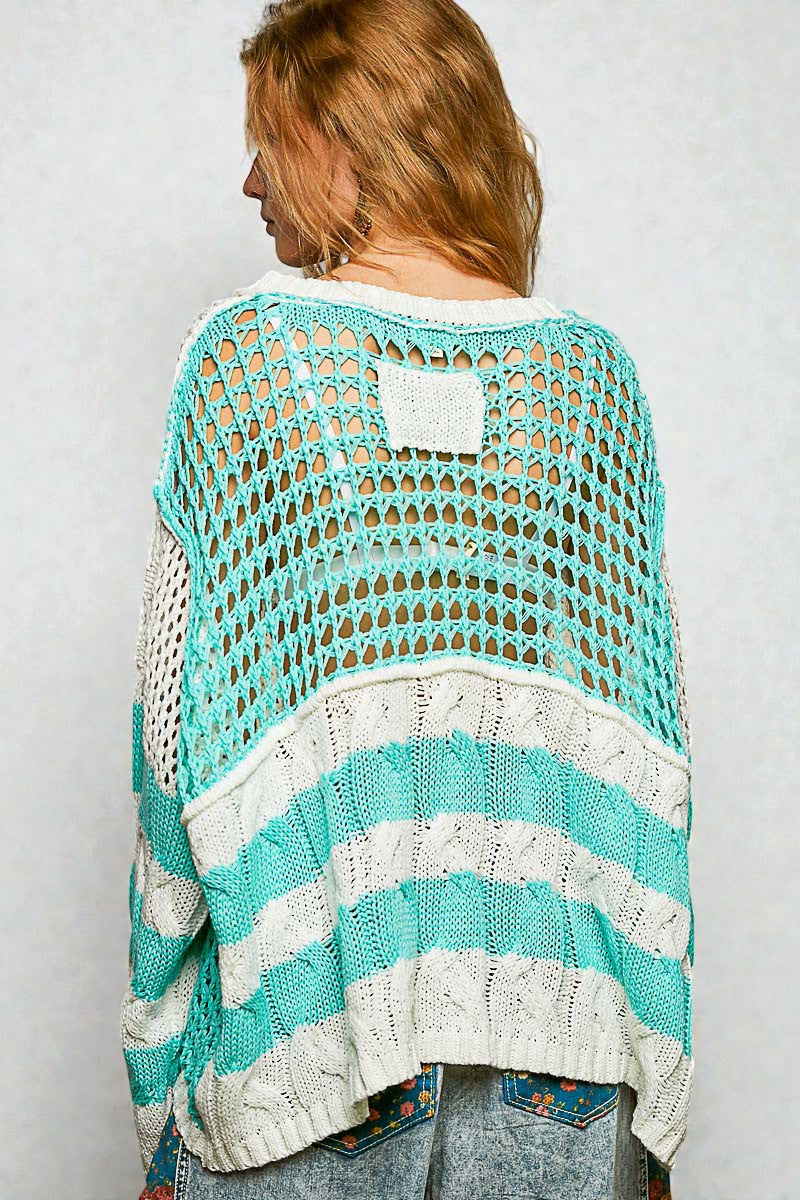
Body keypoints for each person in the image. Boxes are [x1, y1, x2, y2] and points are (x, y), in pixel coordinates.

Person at [120, 1, 693, 1197]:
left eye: (268, 139)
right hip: (568, 1054)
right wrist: (655, 1083)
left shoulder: (247, 357)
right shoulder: (589, 384)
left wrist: (161, 1068)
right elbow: (646, 759)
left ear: (347, 134)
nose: (245, 182)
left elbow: (173, 754)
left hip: (315, 1038)